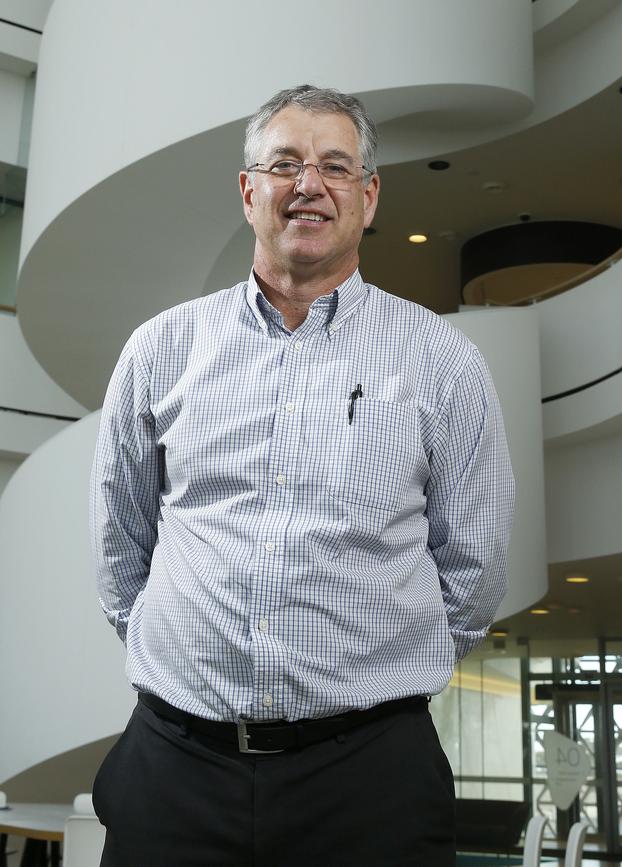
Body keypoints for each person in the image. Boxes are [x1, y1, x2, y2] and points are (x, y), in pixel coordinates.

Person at [90, 84, 514, 867]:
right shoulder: (160, 351)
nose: (308, 184)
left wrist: (376, 678)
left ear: (369, 195)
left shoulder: (442, 361)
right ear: (249, 191)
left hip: (369, 781)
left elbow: (474, 567)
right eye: (283, 163)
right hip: (175, 769)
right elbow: (121, 548)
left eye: (335, 166)